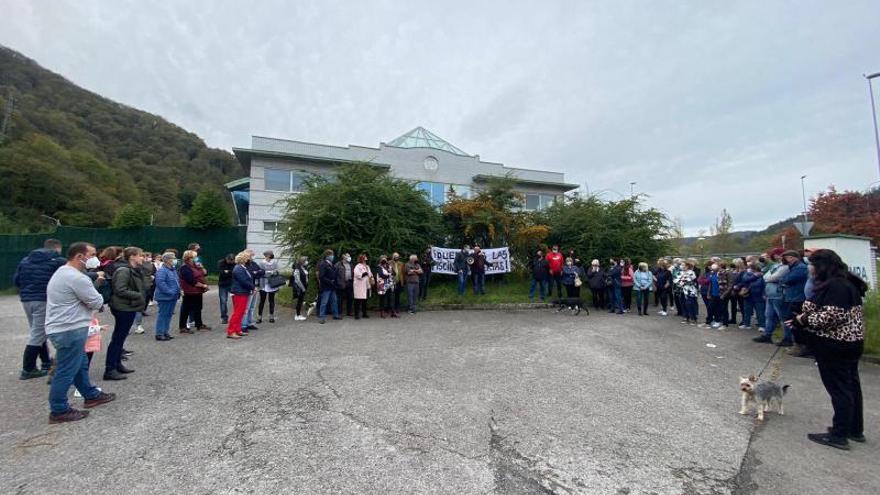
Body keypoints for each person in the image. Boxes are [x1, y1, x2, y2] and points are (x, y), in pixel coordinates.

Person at [789, 249, 867, 450]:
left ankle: (840, 434)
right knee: (850, 386)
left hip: (835, 343)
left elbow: (830, 317)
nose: (810, 269)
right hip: (850, 343)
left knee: (840, 389)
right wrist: (802, 320)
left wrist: (802, 319)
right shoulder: (846, 283)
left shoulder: (837, 287)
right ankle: (854, 429)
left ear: (822, 267)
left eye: (812, 265)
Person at [44, 242, 116, 423]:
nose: (96, 258)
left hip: (63, 327)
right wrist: (94, 297)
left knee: (80, 363)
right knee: (66, 370)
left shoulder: (62, 272)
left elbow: (88, 301)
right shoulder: (77, 278)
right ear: (79, 257)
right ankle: (59, 409)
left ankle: (90, 395)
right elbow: (97, 301)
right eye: (92, 254)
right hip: (70, 328)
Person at [14, 238, 65, 380]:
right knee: (37, 334)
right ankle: (28, 368)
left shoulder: (25, 260)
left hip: (26, 299)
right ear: (57, 248)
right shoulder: (57, 261)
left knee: (37, 331)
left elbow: (16, 280)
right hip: (43, 299)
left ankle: (45, 361)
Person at [103, 247, 147, 381]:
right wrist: (138, 295)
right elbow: (120, 289)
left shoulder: (133, 270)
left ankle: (117, 364)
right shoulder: (124, 270)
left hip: (128, 307)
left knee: (120, 338)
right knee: (118, 339)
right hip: (123, 308)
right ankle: (110, 369)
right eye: (140, 255)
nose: (143, 258)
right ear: (132, 257)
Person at [754, 248, 790, 344]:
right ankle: (767, 335)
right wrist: (769, 278)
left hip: (779, 294)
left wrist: (769, 277)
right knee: (769, 316)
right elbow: (766, 277)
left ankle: (788, 338)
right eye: (774, 255)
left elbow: (774, 277)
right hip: (770, 294)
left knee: (783, 317)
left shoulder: (785, 267)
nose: (775, 256)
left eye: (777, 255)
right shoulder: (776, 266)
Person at [780, 250, 810, 357]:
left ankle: (801, 346)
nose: (787, 260)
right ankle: (798, 344)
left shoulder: (800, 268)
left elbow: (787, 279)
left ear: (794, 257)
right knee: (792, 321)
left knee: (795, 322)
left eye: (788, 257)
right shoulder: (793, 268)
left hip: (798, 298)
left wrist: (784, 280)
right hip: (792, 297)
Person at [178, 250, 210, 334]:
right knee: (186, 309)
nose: (196, 258)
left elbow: (205, 273)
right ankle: (182, 327)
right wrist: (203, 285)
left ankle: (199, 324)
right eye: (194, 257)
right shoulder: (184, 267)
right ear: (189, 258)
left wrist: (201, 267)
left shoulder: (196, 265)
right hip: (189, 291)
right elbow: (191, 280)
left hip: (197, 291)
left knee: (198, 307)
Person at [152, 252, 180, 341]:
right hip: (165, 297)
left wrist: (178, 291)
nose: (175, 260)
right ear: (167, 260)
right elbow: (160, 283)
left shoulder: (173, 269)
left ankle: (165, 332)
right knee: (163, 314)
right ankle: (159, 333)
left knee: (168, 315)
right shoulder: (162, 270)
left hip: (172, 296)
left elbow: (176, 281)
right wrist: (170, 292)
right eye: (173, 258)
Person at [227, 251, 254, 339]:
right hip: (239, 293)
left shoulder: (242, 267)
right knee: (237, 313)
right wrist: (252, 287)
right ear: (243, 259)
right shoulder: (238, 268)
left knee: (241, 312)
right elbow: (244, 281)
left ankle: (237, 330)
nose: (248, 259)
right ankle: (231, 332)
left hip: (242, 292)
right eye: (247, 258)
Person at [241, 250, 264, 332]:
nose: (253, 257)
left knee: (252, 307)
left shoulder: (253, 263)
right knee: (246, 308)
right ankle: (243, 325)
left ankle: (249, 323)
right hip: (249, 288)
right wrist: (256, 272)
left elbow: (262, 271)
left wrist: (256, 272)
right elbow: (250, 274)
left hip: (255, 287)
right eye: (252, 255)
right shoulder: (243, 265)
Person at [132, 252, 155, 334]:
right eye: (140, 256)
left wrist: (142, 263)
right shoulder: (127, 266)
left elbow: (149, 270)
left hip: (142, 288)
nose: (141, 258)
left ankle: (138, 325)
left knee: (139, 307)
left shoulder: (147, 264)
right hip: (132, 289)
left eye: (142, 256)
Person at [739, 262, 766, 331]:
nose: (749, 269)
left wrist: (764, 294)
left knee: (760, 312)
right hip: (748, 295)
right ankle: (746, 324)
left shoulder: (762, 275)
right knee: (747, 311)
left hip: (759, 296)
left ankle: (762, 325)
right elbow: (745, 280)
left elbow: (764, 285)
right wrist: (755, 276)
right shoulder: (747, 274)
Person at [317, 249, 341, 324]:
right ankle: (321, 317)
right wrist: (330, 281)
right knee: (324, 302)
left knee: (334, 301)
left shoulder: (331, 263)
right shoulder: (322, 264)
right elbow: (321, 276)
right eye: (331, 255)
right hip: (326, 286)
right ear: (327, 256)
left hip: (332, 286)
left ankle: (335, 315)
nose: (332, 256)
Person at [258, 250, 281, 323]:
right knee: (262, 301)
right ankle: (259, 317)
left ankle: (271, 316)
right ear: (267, 255)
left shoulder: (274, 262)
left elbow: (277, 271)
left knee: (271, 300)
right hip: (263, 283)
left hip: (272, 283)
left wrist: (273, 272)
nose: (272, 255)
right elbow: (260, 272)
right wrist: (269, 272)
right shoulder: (261, 263)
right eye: (271, 254)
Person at [676, 260, 699, 325]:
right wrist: (680, 282)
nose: (682, 266)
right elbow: (676, 280)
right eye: (681, 265)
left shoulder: (691, 272)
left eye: (683, 265)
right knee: (683, 304)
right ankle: (686, 317)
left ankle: (693, 318)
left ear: (687, 266)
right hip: (681, 290)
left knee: (690, 304)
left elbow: (690, 280)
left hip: (690, 291)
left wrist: (682, 282)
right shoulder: (680, 272)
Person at [289, 256, 310, 321]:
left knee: (300, 300)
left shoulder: (304, 267)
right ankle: (297, 315)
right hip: (300, 287)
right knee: (299, 301)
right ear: (302, 262)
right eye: (306, 260)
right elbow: (297, 280)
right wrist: (303, 288)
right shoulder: (297, 269)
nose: (307, 262)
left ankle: (298, 314)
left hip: (304, 286)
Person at [217, 254, 236, 324]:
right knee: (223, 301)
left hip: (232, 284)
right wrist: (228, 272)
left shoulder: (234, 263)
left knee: (236, 301)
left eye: (232, 261)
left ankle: (236, 316)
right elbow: (221, 273)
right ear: (226, 259)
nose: (231, 262)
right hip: (223, 285)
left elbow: (234, 272)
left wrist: (227, 272)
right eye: (230, 261)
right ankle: (224, 317)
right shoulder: (221, 262)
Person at [334, 252, 354, 317]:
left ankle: (349, 312)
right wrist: (336, 283)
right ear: (344, 256)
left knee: (350, 298)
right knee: (340, 299)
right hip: (341, 283)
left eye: (349, 256)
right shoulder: (338, 264)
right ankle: (339, 312)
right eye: (348, 256)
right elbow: (334, 274)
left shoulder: (351, 264)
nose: (349, 257)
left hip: (349, 282)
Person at [353, 253, 373, 319]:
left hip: (366, 285)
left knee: (365, 300)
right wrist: (364, 274)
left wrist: (372, 278)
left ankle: (364, 313)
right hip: (359, 286)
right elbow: (357, 275)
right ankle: (356, 314)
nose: (365, 261)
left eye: (365, 260)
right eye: (364, 259)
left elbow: (370, 274)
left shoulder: (367, 266)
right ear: (361, 260)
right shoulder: (357, 266)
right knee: (358, 301)